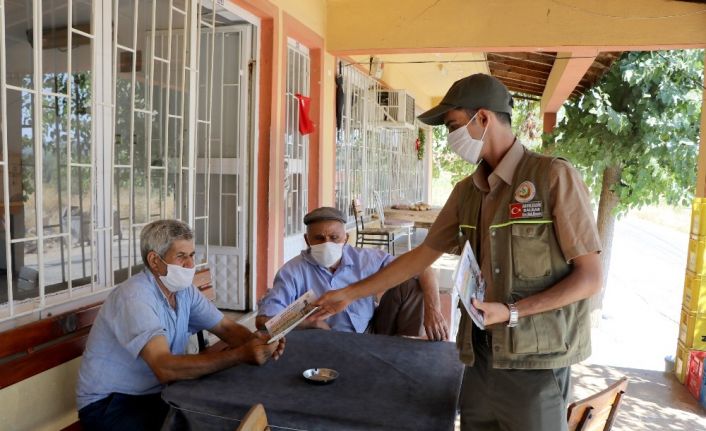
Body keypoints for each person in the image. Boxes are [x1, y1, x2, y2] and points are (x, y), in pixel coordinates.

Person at [313, 74, 602, 431]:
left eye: (452, 125)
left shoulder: (552, 177)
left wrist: (512, 312)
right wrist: (349, 293)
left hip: (535, 365)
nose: (450, 139)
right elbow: (421, 257)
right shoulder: (467, 191)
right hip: (478, 358)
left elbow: (590, 278)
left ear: (482, 118)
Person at [76, 219, 285, 431]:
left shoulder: (182, 291)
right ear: (155, 261)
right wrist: (240, 355)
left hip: (157, 391)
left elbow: (225, 328)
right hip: (112, 404)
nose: (190, 265)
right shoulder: (135, 298)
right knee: (205, 421)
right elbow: (164, 367)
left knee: (224, 411)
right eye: (181, 256)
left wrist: (261, 343)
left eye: (192, 255)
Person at [256, 206, 448, 341]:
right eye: (319, 238)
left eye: (334, 237)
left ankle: (405, 350)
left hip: (371, 330)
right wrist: (309, 324)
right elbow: (264, 323)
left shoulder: (365, 259)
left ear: (346, 238)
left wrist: (433, 310)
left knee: (411, 286)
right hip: (323, 340)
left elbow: (422, 266)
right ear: (307, 240)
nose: (327, 243)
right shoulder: (292, 272)